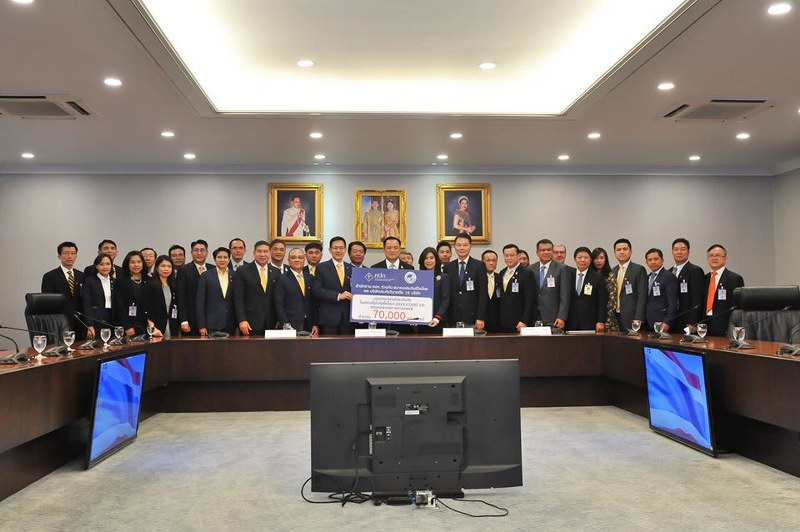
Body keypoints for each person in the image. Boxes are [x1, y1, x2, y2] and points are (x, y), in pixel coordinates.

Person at [41, 241, 85, 338]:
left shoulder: (82, 276)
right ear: (59, 256)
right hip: (60, 323)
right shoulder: (50, 276)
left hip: (80, 323)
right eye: (66, 253)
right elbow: (48, 303)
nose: (70, 256)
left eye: (73, 253)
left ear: (76, 256)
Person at [233, 240, 278, 336]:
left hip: (272, 322)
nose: (262, 254)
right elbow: (238, 298)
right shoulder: (242, 270)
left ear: (270, 253)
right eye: (259, 251)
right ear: (254, 253)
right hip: (249, 322)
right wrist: (242, 320)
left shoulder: (276, 272)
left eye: (265, 251)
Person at [443, 232, 487, 329]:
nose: (462, 248)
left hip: (472, 317)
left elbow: (483, 294)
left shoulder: (479, 266)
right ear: (454, 247)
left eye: (465, 245)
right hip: (452, 318)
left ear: (470, 246)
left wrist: (480, 317)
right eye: (459, 245)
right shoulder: (448, 267)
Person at [312, 236, 354, 335]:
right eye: (335, 248)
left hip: (348, 319)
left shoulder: (352, 268)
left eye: (341, 248)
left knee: (348, 345)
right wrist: (338, 296)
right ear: (330, 250)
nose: (338, 250)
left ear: (345, 250)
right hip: (328, 319)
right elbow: (317, 291)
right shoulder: (321, 267)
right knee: (328, 345)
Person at [704, 244, 745, 338]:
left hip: (725, 326)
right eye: (711, 255)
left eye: (718, 255)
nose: (714, 258)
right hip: (705, 324)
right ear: (707, 259)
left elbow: (737, 306)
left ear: (725, 259)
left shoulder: (734, 278)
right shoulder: (704, 278)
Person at [275, 247, 317, 334]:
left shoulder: (310, 278)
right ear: (288, 260)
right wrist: (286, 325)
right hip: (291, 324)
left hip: (309, 324)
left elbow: (314, 303)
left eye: (300, 257)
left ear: (304, 260)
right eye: (293, 257)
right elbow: (279, 305)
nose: (297, 260)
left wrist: (315, 324)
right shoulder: (282, 279)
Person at [530, 239, 570, 329]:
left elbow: (565, 296)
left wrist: (561, 317)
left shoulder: (562, 269)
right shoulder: (531, 269)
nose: (546, 252)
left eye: (549, 250)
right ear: (537, 253)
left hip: (553, 317)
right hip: (534, 316)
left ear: (552, 251)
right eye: (543, 250)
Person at [497, 244, 537, 333]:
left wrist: (524, 320)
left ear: (518, 256)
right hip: (504, 321)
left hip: (520, 322)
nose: (509, 258)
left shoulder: (527, 273)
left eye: (512, 255)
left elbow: (530, 300)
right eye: (506, 255)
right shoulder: (502, 272)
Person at [196, 247, 237, 337]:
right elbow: (200, 303)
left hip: (231, 324)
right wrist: (202, 325)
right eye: (219, 257)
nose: (222, 260)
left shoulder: (235, 275)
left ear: (229, 259)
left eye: (225, 257)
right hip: (211, 324)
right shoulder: (206, 276)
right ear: (214, 259)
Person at [177, 239, 213, 336]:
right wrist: (184, 320)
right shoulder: (183, 270)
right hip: (191, 319)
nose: (199, 253)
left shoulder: (213, 269)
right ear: (191, 253)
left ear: (207, 253)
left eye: (202, 250)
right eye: (196, 250)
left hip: (211, 319)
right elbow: (181, 297)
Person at [566, 247, 607, 332]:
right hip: (570, 321)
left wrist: (601, 321)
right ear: (575, 259)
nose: (583, 260)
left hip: (590, 321)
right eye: (580, 257)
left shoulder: (597, 277)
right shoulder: (568, 275)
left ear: (590, 260)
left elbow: (602, 301)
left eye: (586, 257)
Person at [670, 238, 705, 333]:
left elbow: (697, 299)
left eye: (683, 249)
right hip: (671, 321)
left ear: (688, 252)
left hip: (686, 321)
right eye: (676, 249)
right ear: (672, 252)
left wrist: (693, 322)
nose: (679, 252)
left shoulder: (695, 271)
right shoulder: (669, 272)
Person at [612, 238, 647, 332]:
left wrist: (638, 317)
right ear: (614, 253)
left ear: (631, 251)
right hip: (615, 316)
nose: (622, 252)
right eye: (618, 250)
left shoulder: (638, 270)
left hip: (632, 317)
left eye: (625, 249)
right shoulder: (613, 271)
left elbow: (642, 296)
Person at [114, 250, 150, 337]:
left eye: (139, 262)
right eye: (132, 262)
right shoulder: (120, 281)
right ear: (127, 264)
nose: (136, 265)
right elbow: (119, 306)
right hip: (128, 325)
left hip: (147, 325)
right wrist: (127, 326)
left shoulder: (149, 281)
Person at [644, 248, 679, 333]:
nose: (653, 262)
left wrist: (667, 322)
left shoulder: (669, 277)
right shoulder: (647, 277)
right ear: (646, 263)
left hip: (662, 323)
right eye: (650, 260)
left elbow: (673, 303)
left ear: (662, 260)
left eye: (656, 259)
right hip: (647, 322)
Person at [81, 253, 115, 340]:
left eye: (108, 264)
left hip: (112, 319)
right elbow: (87, 305)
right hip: (96, 320)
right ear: (96, 266)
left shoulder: (114, 281)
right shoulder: (89, 281)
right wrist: (89, 325)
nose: (105, 267)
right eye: (101, 264)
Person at [418, 247, 450, 332]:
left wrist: (437, 318)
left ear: (436, 260)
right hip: (421, 322)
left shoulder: (443, 278)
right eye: (426, 258)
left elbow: (445, 300)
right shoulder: (418, 278)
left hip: (438, 322)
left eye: (431, 258)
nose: (428, 261)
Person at [146, 255, 178, 338]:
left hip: (173, 325)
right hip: (156, 327)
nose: (166, 269)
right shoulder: (151, 285)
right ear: (157, 268)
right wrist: (152, 326)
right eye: (163, 266)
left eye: (169, 266)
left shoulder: (174, 285)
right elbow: (146, 308)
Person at [591, 247, 619, 332]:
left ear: (606, 259)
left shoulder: (610, 275)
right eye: (596, 258)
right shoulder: (589, 275)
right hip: (591, 315)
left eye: (601, 258)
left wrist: (606, 319)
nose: (598, 261)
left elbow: (612, 299)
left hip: (607, 316)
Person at [482, 250, 502, 332]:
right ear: (482, 262)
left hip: (497, 321)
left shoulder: (500, 277)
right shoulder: (477, 277)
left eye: (494, 260)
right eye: (488, 260)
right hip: (481, 320)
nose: (491, 263)